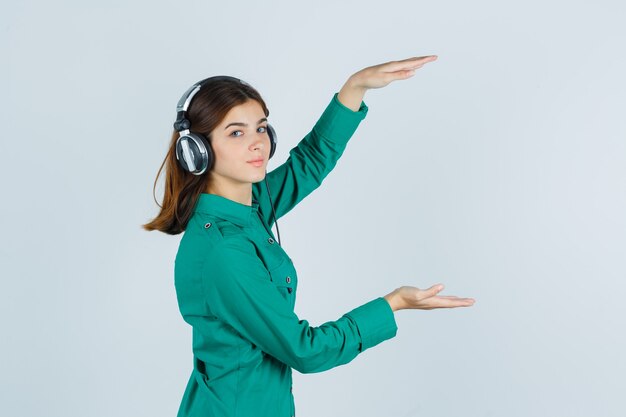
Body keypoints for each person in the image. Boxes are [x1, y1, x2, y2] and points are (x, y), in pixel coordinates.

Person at [143, 55, 475, 417]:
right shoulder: (225, 249)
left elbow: (310, 162)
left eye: (261, 127)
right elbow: (306, 350)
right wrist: (392, 304)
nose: (258, 143)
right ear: (197, 152)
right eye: (236, 132)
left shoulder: (246, 211)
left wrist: (354, 89)